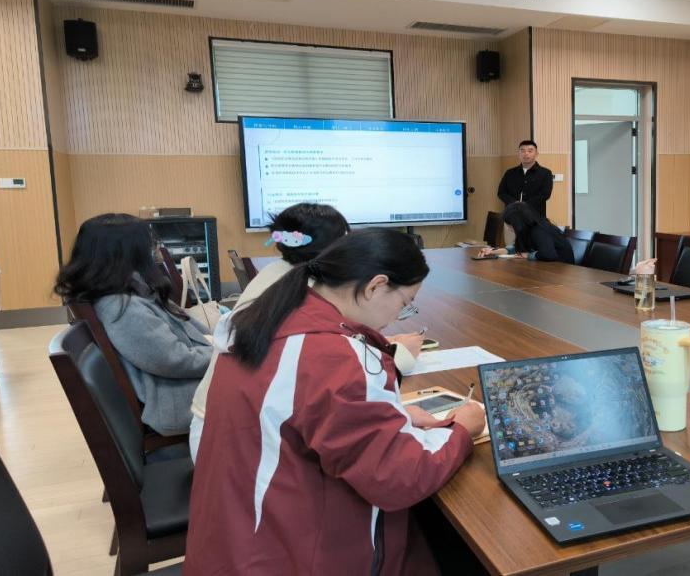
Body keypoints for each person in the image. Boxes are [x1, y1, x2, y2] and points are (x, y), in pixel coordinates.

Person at [184, 228, 486, 575]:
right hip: (286, 556)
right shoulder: (334, 357)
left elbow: (300, 412)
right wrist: (462, 429)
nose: (397, 317)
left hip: (233, 544)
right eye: (405, 304)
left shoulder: (270, 318)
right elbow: (400, 478)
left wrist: (390, 415)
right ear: (375, 286)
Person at [189, 203, 426, 461]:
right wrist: (399, 355)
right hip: (235, 447)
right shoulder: (307, 294)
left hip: (222, 426)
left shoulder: (278, 275)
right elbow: (334, 376)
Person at [54, 213, 211, 436]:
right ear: (130, 253)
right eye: (150, 247)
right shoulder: (123, 309)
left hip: (181, 386)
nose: (154, 252)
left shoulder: (122, 294)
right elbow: (175, 359)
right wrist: (225, 356)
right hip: (180, 400)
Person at [478, 201, 574, 263]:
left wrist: (528, 255)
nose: (509, 228)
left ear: (518, 223)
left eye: (510, 225)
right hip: (547, 268)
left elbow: (548, 255)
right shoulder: (527, 229)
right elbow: (518, 249)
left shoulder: (539, 230)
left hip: (561, 269)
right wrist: (493, 252)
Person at [497, 140, 553, 218]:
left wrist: (525, 205)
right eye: (522, 151)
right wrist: (514, 203)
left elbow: (545, 194)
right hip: (512, 215)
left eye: (530, 151)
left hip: (536, 216)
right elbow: (501, 192)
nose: (526, 153)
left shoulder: (545, 173)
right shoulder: (510, 173)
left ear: (536, 154)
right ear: (518, 154)